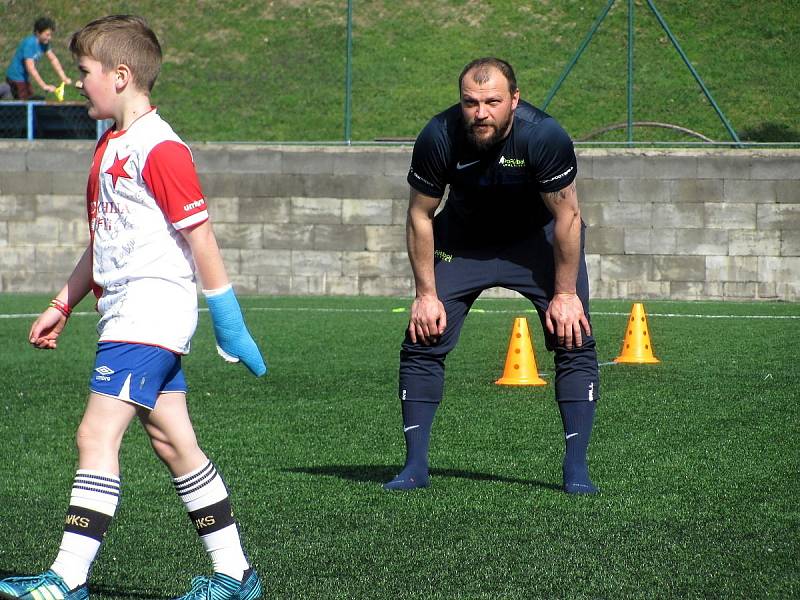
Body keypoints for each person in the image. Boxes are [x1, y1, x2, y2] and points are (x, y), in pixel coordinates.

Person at [0, 15, 266, 600]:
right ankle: (236, 574)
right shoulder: (110, 143)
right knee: (174, 443)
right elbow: (104, 239)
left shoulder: (161, 147)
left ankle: (67, 579)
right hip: (126, 314)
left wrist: (229, 320)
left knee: (95, 436)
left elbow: (201, 237)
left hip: (151, 314)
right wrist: (63, 303)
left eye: (85, 73)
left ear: (120, 76)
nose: (79, 83)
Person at [384, 57, 600, 495]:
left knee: (574, 337)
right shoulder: (438, 136)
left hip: (534, 243)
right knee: (423, 337)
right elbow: (420, 215)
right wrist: (425, 293)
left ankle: (576, 469)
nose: (480, 112)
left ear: (514, 100)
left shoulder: (544, 136)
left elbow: (568, 217)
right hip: (463, 242)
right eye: (470, 102)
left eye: (492, 102)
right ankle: (414, 467)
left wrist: (564, 293)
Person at [4, 16, 72, 100]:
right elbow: (31, 68)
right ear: (37, 33)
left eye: (50, 35)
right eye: (47, 35)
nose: (49, 38)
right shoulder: (30, 44)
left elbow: (53, 59)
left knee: (31, 100)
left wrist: (63, 77)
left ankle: (7, 90)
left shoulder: (44, 43)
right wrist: (44, 86)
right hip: (15, 77)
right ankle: (6, 89)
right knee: (25, 102)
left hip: (24, 78)